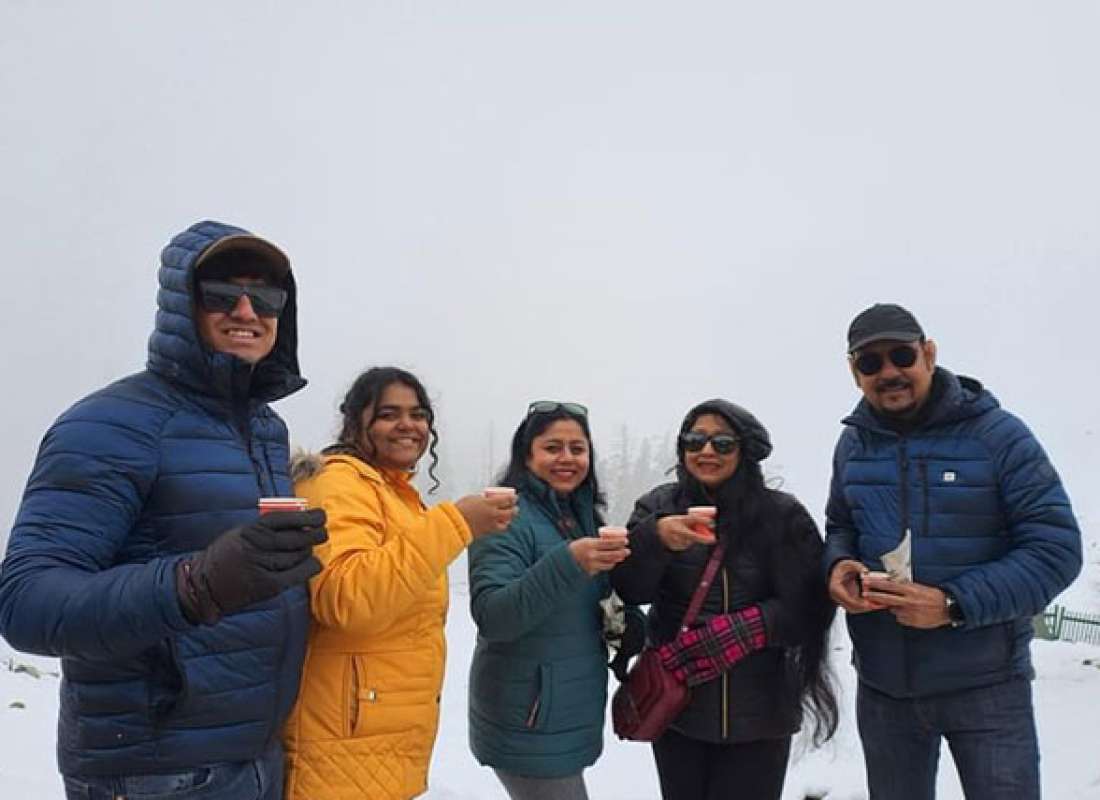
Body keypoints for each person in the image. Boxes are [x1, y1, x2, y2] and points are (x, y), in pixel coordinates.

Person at [0, 220, 327, 800]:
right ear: (180, 303)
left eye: (266, 296)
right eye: (221, 293)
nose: (247, 311)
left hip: (252, 756)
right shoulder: (112, 423)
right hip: (154, 772)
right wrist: (194, 584)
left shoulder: (264, 428)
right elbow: (25, 602)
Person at [824, 302, 1083, 800]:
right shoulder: (853, 445)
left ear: (929, 354)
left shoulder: (999, 436)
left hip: (987, 687)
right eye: (871, 362)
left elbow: (1056, 550)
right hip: (885, 690)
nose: (889, 372)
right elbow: (841, 526)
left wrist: (952, 603)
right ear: (855, 373)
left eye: (902, 355)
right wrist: (838, 566)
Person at [283, 366, 516, 800]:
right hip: (341, 741)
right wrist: (456, 523)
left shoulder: (394, 494)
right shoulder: (336, 482)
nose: (408, 425)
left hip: (375, 737)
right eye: (389, 414)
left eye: (418, 414)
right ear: (355, 422)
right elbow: (347, 599)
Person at [611, 399, 838, 800]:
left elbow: (812, 606)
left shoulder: (782, 515)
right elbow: (630, 589)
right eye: (694, 440)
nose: (706, 451)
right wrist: (656, 540)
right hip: (677, 706)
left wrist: (748, 628)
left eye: (722, 443)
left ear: (745, 450)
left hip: (760, 714)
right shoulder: (658, 507)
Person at [467, 402, 631, 800]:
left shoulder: (579, 515)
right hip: (528, 721)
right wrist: (569, 562)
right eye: (552, 447)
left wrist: (625, 623)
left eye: (578, 448)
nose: (567, 458)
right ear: (527, 455)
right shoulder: (504, 517)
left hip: (564, 714)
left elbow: (586, 603)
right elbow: (494, 616)